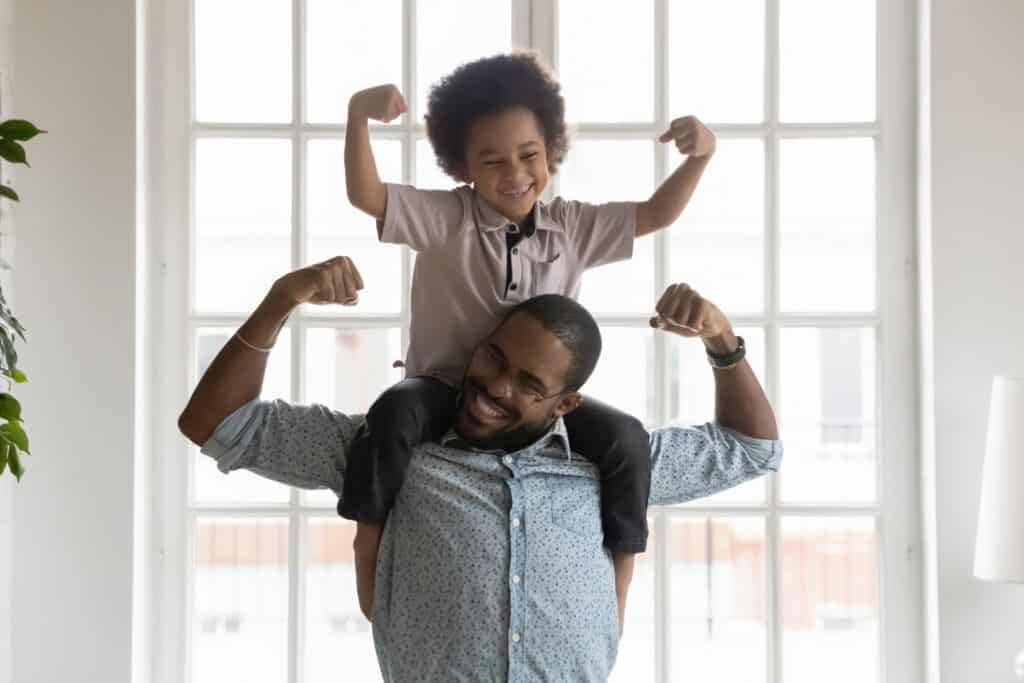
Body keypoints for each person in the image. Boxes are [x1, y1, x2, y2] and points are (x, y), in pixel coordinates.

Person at [178, 256, 782, 682]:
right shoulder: (390, 446)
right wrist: (282, 300)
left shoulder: (613, 463)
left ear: (565, 403)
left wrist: (722, 341)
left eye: (528, 383)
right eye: (493, 357)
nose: (493, 386)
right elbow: (214, 421)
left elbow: (753, 448)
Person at [342, 53, 719, 594]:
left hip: (539, 406)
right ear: (463, 165)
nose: (515, 174)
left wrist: (701, 157)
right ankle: (367, 544)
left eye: (529, 155)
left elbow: (656, 212)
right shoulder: (446, 218)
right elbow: (366, 195)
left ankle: (620, 578)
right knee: (393, 412)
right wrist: (358, 116)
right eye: (492, 161)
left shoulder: (573, 226)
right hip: (446, 390)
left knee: (627, 439)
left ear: (551, 153)